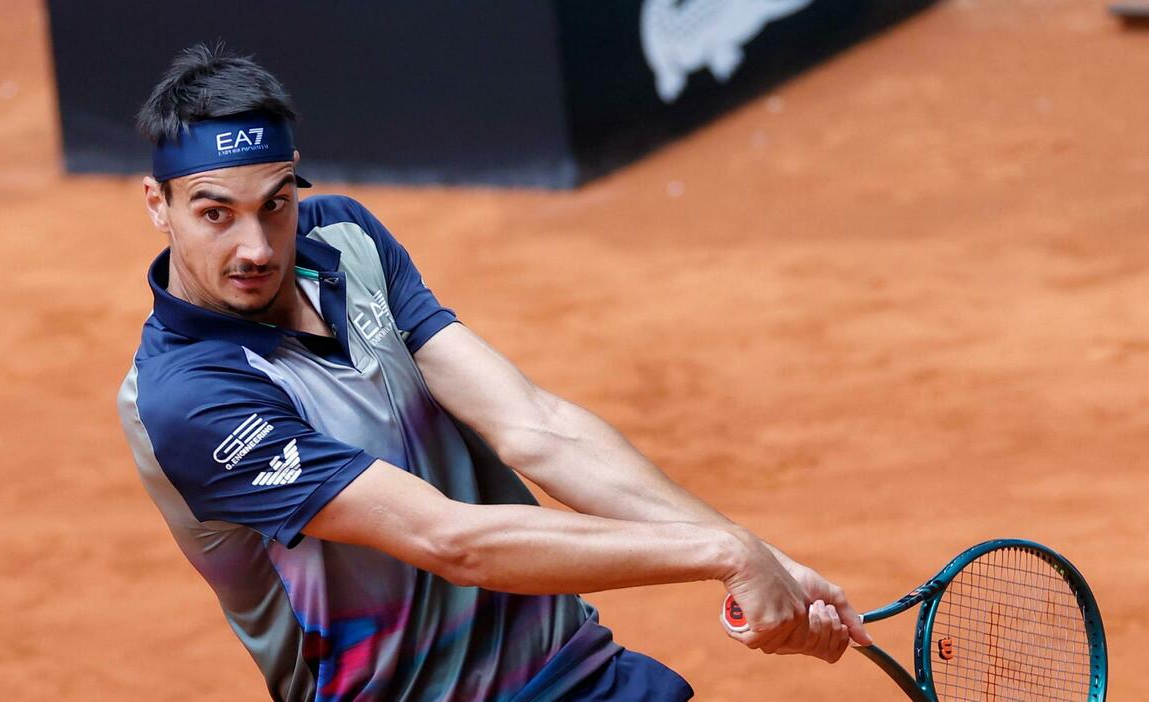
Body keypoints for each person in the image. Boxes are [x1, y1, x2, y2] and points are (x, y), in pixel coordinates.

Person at [116, 44, 871, 702]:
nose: (256, 247)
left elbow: (535, 427)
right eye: (216, 214)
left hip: (571, 668)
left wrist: (758, 554)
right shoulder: (189, 398)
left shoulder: (343, 239)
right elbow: (451, 541)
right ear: (158, 204)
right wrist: (723, 554)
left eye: (276, 204)